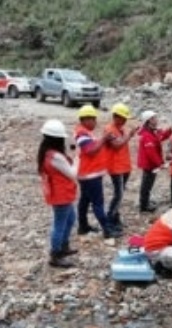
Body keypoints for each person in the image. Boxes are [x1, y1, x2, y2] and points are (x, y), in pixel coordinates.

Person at [37, 119, 78, 268]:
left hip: (60, 193)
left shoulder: (46, 153)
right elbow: (73, 174)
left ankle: (63, 246)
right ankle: (55, 255)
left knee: (70, 219)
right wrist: (78, 157)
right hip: (61, 195)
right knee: (60, 224)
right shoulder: (55, 157)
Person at [73, 105, 116, 239]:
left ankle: (83, 226)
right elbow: (90, 151)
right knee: (98, 202)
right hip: (89, 174)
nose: (95, 122)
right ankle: (107, 229)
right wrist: (104, 139)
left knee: (85, 201)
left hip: (89, 173)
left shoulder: (85, 132)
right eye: (93, 119)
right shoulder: (81, 133)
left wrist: (103, 140)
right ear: (85, 119)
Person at [104, 102, 138, 236]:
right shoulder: (109, 130)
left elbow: (122, 144)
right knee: (118, 195)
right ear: (116, 116)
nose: (124, 121)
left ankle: (115, 217)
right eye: (122, 118)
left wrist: (129, 134)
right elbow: (116, 145)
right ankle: (110, 221)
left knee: (120, 193)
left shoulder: (121, 129)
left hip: (124, 166)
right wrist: (129, 135)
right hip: (115, 167)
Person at [137, 110, 172, 213]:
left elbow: (161, 137)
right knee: (146, 185)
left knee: (148, 184)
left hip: (151, 165)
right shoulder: (147, 135)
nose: (156, 120)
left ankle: (145, 203)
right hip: (149, 165)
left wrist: (169, 131)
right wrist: (160, 164)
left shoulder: (152, 131)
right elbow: (151, 153)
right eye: (154, 118)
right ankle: (143, 206)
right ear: (148, 121)